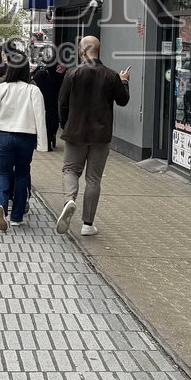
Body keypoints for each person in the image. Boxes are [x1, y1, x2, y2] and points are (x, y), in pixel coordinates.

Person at [54, 35, 130, 237]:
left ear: (82, 50)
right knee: (94, 179)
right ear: (98, 50)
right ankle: (88, 224)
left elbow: (62, 102)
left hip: (75, 132)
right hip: (101, 135)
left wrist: (64, 125)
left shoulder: (72, 73)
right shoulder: (111, 75)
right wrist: (124, 82)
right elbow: (123, 101)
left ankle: (69, 200)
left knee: (70, 169)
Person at [0, 52, 47, 231]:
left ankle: (0, 204)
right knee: (21, 173)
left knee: (4, 173)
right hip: (26, 136)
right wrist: (42, 144)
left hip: (4, 135)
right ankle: (17, 216)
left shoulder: (1, 88)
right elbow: (40, 117)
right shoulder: (33, 90)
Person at [33, 47, 65, 152]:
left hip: (42, 100)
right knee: (53, 120)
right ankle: (51, 137)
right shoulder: (60, 73)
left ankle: (42, 139)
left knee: (43, 119)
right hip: (54, 101)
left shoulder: (39, 74)